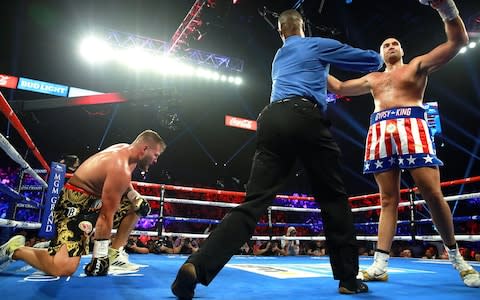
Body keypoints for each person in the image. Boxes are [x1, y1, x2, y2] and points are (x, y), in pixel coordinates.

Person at [171, 9, 383, 298]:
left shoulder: (279, 57)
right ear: (303, 27)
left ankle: (196, 265)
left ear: (281, 32)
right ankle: (348, 278)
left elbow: (314, 75)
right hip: (304, 116)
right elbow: (369, 60)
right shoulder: (314, 44)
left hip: (270, 120)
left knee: (253, 203)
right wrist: (382, 58)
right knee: (333, 198)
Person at [327, 0, 479, 288]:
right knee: (387, 201)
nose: (392, 45)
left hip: (413, 126)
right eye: (386, 44)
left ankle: (459, 260)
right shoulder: (372, 78)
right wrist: (313, 63)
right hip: (380, 132)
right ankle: (380, 265)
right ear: (381, 53)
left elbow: (458, 41)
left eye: (396, 42)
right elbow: (338, 87)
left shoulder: (417, 66)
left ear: (402, 50)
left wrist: (445, 8)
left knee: (432, 193)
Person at [0, 130, 166, 276]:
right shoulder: (120, 167)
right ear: (145, 148)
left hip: (94, 200)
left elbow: (121, 182)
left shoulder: (126, 151)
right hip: (74, 203)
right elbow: (106, 216)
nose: (156, 160)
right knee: (63, 268)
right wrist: (99, 257)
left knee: (138, 205)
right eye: (156, 155)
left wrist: (134, 195)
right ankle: (15, 250)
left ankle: (114, 254)